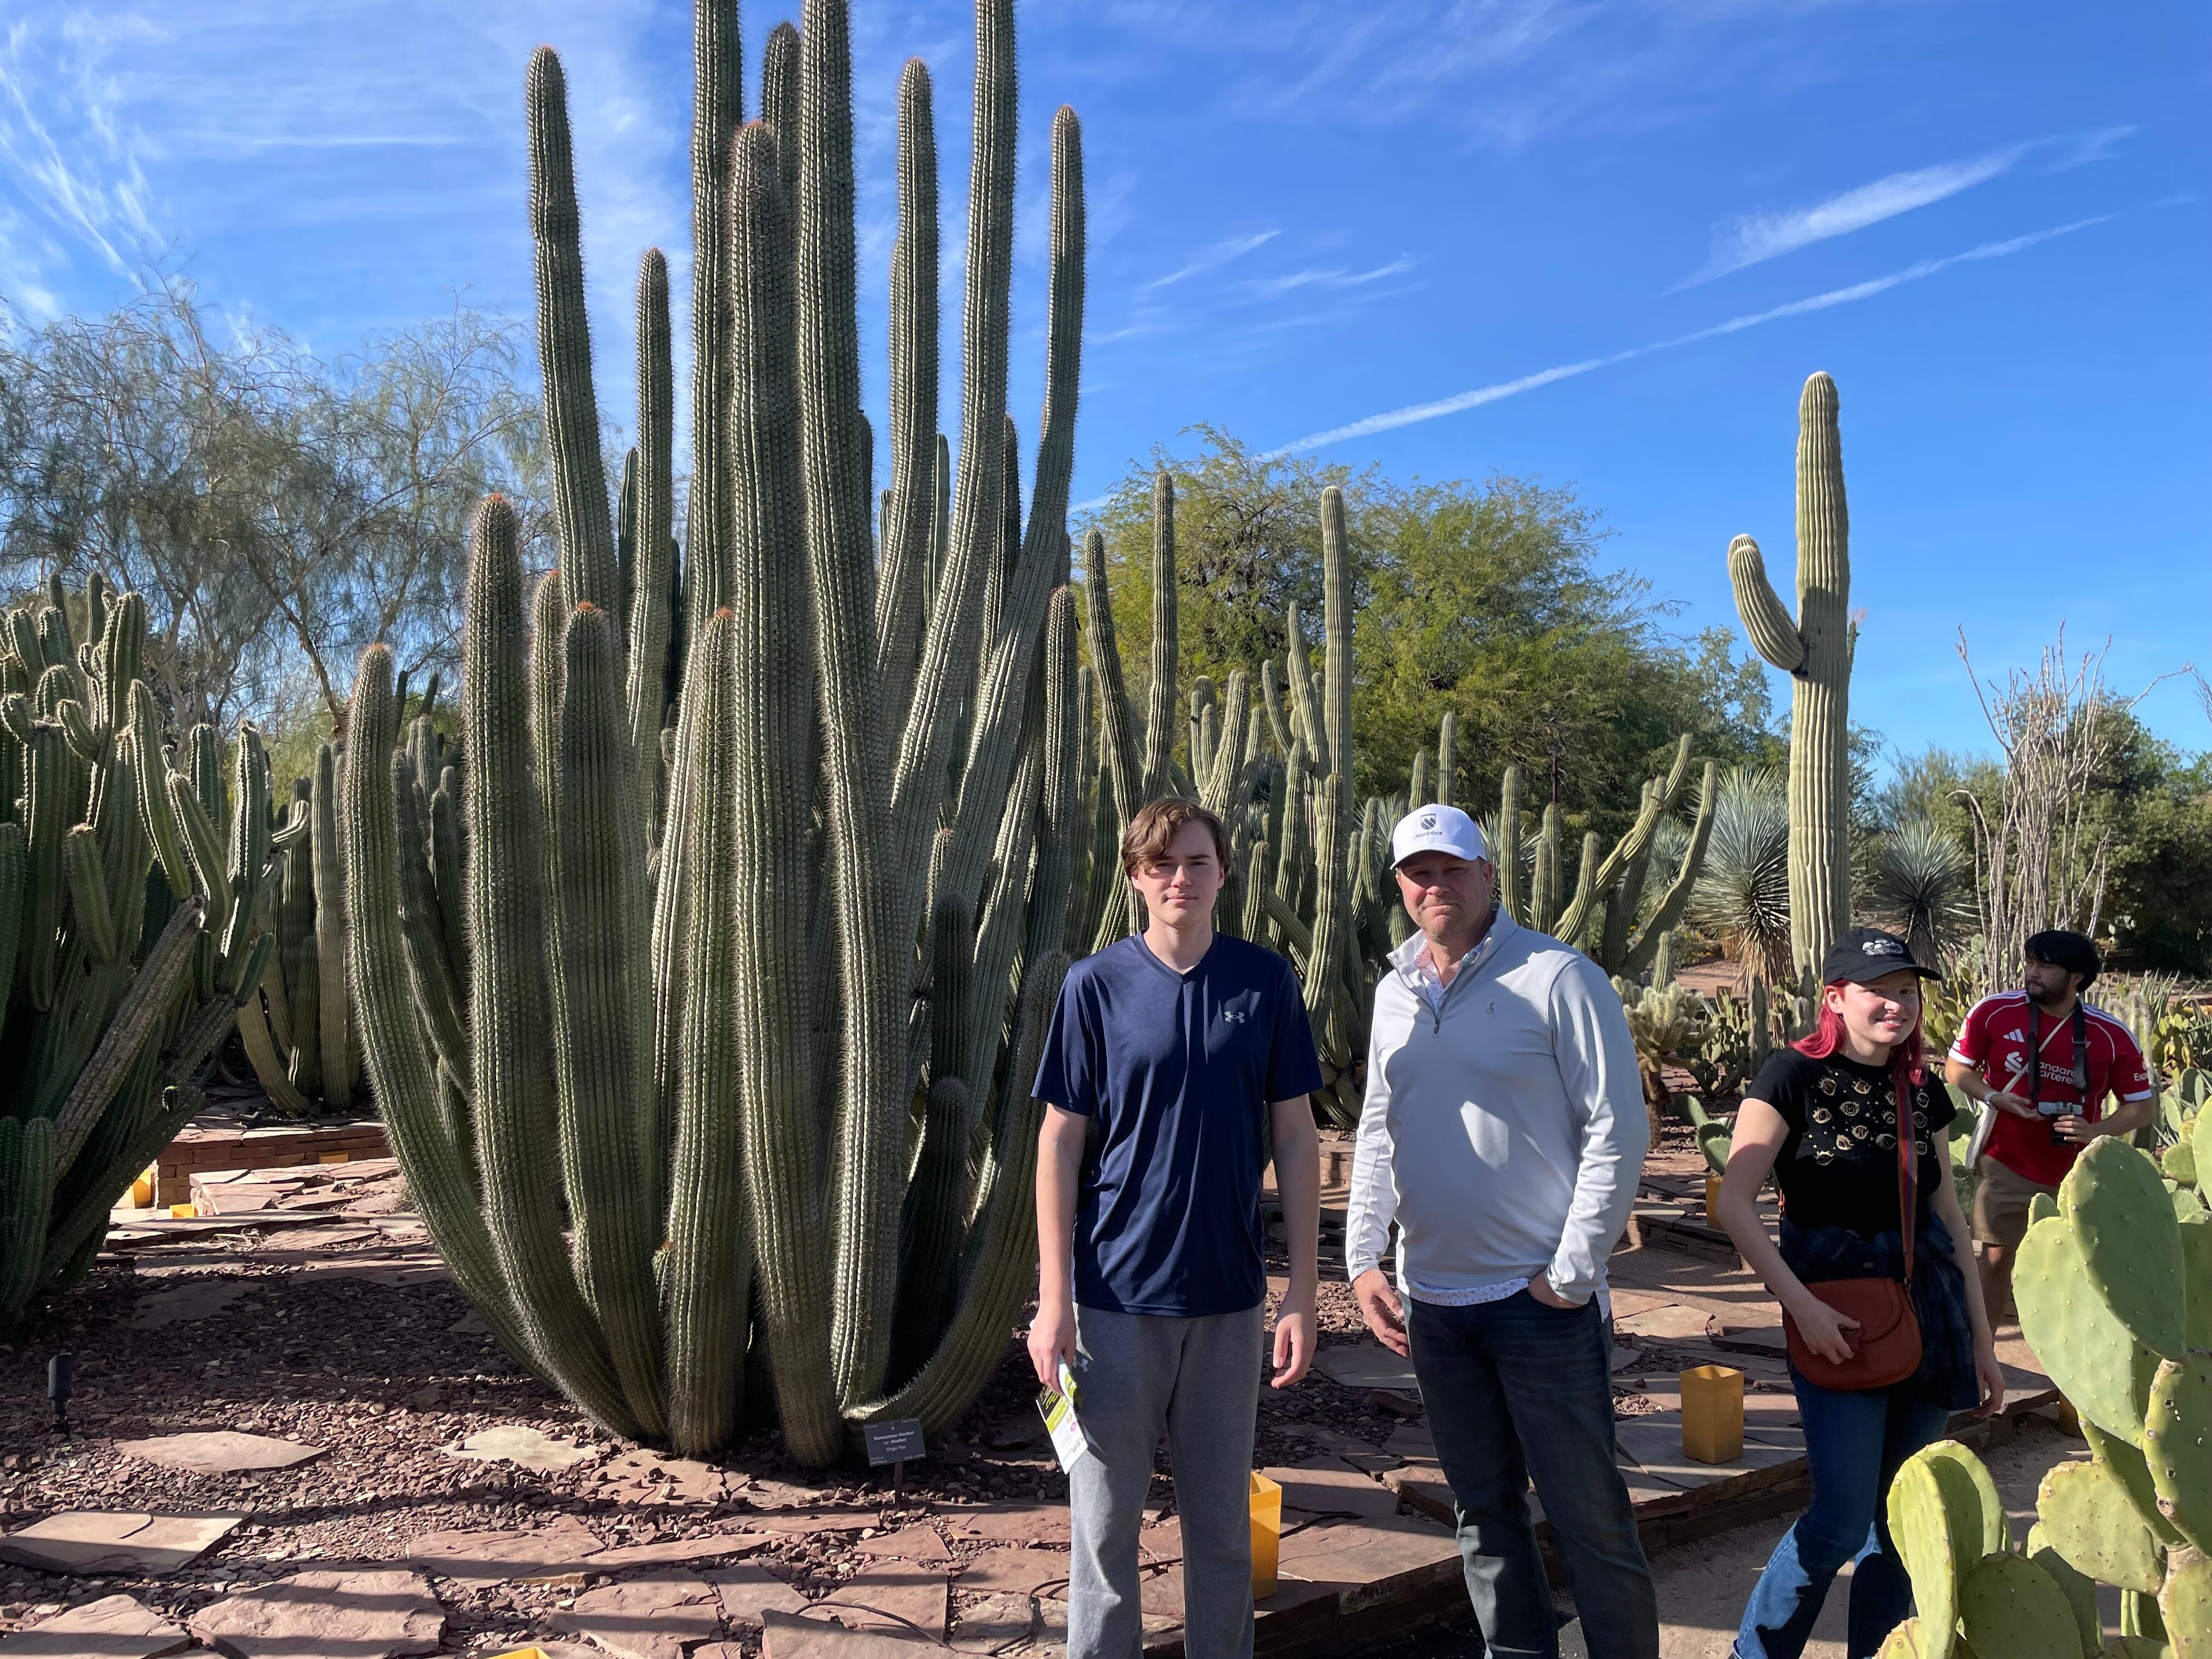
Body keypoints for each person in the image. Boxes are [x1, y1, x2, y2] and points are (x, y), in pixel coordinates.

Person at [1345, 803, 1658, 1659]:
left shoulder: (1559, 977)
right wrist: (1363, 1255)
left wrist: (1572, 1271)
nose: (1434, 885)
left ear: (1488, 876)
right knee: (1483, 1515)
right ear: (1401, 887)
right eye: (1418, 872)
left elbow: (1617, 1129)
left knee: (1590, 1520)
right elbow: (1380, 1124)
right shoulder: (1393, 988)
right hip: (1435, 1304)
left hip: (1539, 1304)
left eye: (1452, 868)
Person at [1029, 797, 1324, 1659]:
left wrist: (1301, 1293)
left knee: (1221, 1531)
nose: (1180, 879)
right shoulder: (1096, 985)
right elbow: (1059, 1140)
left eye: (1196, 862)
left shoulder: (1264, 982)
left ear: (1223, 872)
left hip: (1228, 1302)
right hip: (1114, 1303)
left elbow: (1298, 1137)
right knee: (1105, 1534)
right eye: (1161, 864)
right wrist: (1055, 1302)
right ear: (1134, 878)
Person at [1717, 927, 2005, 1659]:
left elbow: (1946, 1222)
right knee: (1840, 1523)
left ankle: (1881, 1652)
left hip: (1931, 1321)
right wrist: (1802, 1308)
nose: (1898, 1005)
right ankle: (1757, 1654)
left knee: (1899, 1522)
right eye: (1880, 991)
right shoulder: (1789, 1076)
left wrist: (1982, 1342)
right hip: (1837, 1326)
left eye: (1908, 992)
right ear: (1836, 998)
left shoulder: (1922, 1090)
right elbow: (1734, 1203)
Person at [1942, 929, 2155, 1322]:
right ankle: (1981, 1359)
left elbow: (2142, 1107)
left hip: (2077, 1170)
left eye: (2045, 966)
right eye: (2031, 963)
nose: (2032, 973)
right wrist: (1994, 1096)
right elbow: (1957, 1068)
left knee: (2078, 1268)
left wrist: (2095, 1130)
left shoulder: (2109, 1034)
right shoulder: (1994, 1012)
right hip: (2006, 1159)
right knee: (1994, 1257)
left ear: (2076, 977)